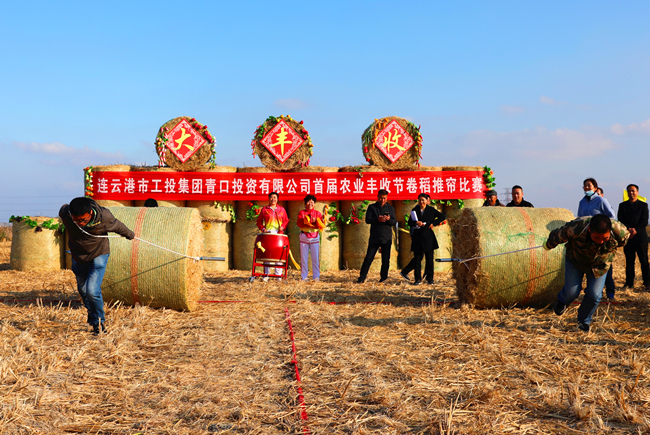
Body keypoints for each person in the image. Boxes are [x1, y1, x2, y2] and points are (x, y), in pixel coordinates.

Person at [60, 197, 135, 335]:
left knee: (92, 291)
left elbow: (118, 226)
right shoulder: (66, 213)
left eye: (83, 220)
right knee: (83, 290)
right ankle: (92, 312)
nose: (80, 223)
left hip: (98, 254)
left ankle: (98, 323)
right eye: (76, 220)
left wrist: (130, 234)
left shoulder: (104, 216)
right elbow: (64, 208)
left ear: (90, 213)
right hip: (78, 255)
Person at [546, 214, 629, 332]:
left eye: (605, 238)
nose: (601, 242)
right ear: (590, 230)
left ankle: (584, 321)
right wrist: (548, 245)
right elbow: (557, 236)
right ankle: (562, 301)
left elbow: (623, 241)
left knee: (594, 295)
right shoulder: (577, 227)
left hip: (600, 265)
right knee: (572, 292)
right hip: (576, 261)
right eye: (597, 238)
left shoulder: (619, 231)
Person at [577, 178, 617, 300]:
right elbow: (580, 218)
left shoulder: (601, 200)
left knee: (604, 265)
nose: (587, 188)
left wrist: (602, 226)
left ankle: (610, 292)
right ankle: (591, 294)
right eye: (585, 186)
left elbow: (612, 216)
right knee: (589, 266)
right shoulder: (582, 202)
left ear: (595, 188)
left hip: (600, 237)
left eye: (589, 186)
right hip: (587, 238)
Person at [399, 193, 446, 285]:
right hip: (418, 237)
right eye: (420, 200)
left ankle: (430, 279)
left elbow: (442, 216)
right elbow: (409, 222)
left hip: (428, 237)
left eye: (423, 200)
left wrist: (433, 223)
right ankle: (417, 279)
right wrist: (416, 223)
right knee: (417, 260)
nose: (421, 202)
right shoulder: (415, 210)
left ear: (427, 201)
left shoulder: (431, 210)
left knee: (429, 260)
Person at [357, 190, 396, 283]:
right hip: (375, 237)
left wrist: (388, 219)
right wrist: (377, 219)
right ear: (377, 197)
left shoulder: (390, 208)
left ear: (387, 198)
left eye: (384, 198)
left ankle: (383, 278)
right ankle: (362, 278)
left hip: (386, 237)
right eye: (381, 198)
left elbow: (394, 222)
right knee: (368, 258)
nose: (382, 200)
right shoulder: (372, 207)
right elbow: (368, 220)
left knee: (385, 260)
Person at [617, 184, 650, 291]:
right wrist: (628, 229)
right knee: (629, 261)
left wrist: (635, 230)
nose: (631, 193)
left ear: (637, 192)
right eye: (629, 191)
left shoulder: (643, 206)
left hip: (640, 238)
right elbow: (620, 220)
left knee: (644, 260)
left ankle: (647, 283)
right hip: (628, 238)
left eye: (633, 191)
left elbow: (644, 221)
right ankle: (629, 283)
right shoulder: (622, 206)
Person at [256, 191, 289, 280]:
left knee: (278, 255)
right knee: (267, 255)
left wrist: (283, 227)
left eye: (274, 197)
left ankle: (278, 275)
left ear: (277, 199)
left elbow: (286, 220)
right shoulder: (265, 209)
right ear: (268, 199)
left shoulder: (281, 209)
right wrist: (263, 229)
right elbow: (259, 221)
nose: (273, 199)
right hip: (268, 235)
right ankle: (266, 275)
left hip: (279, 235)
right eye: (271, 197)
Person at [296, 195, 327, 281]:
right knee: (304, 258)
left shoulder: (318, 213)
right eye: (308, 202)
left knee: (315, 258)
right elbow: (299, 223)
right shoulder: (301, 213)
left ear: (314, 203)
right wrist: (306, 220)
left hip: (314, 237)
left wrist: (316, 221)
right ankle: (304, 277)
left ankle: (316, 277)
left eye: (312, 202)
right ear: (305, 203)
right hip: (304, 236)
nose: (310, 204)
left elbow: (321, 225)